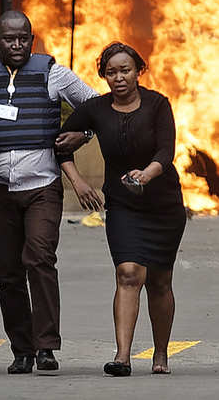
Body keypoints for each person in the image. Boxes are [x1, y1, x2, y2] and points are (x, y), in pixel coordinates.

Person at [0, 10, 96, 374]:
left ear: (31, 40)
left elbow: (97, 109)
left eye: (23, 38)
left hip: (42, 188)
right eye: (9, 39)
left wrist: (83, 135)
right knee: (9, 273)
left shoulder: (53, 74)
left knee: (39, 259)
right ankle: (22, 349)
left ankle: (47, 347)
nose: (16, 45)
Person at [58, 42, 186, 376]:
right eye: (111, 72)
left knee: (159, 280)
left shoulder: (158, 104)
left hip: (163, 204)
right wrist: (79, 182)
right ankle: (122, 357)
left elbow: (166, 150)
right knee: (128, 273)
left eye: (125, 70)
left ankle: (160, 354)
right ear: (103, 75)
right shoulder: (96, 109)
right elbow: (59, 145)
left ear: (138, 70)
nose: (118, 78)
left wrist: (147, 174)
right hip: (123, 204)